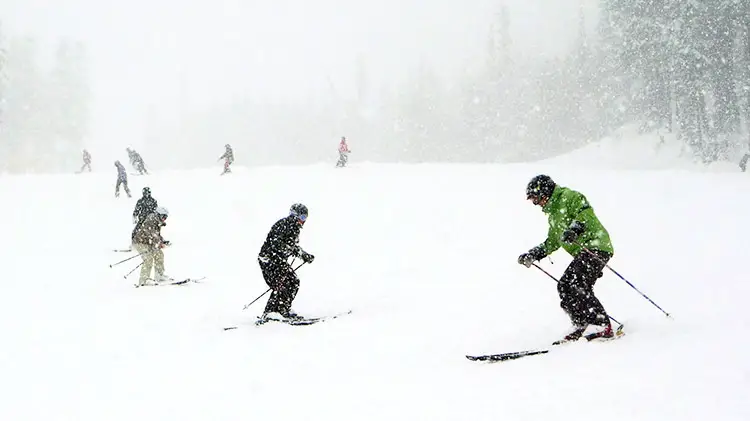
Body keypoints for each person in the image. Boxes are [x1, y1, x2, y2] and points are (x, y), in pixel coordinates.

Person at [517, 175, 615, 344]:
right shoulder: (554, 216)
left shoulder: (569, 197)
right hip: (583, 252)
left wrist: (575, 228)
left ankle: (601, 325)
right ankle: (580, 323)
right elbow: (553, 241)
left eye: (536, 199)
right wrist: (534, 254)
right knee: (564, 286)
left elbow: (585, 213)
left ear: (545, 192)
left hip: (596, 247)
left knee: (577, 284)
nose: (536, 204)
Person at [257, 203, 315, 321]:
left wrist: (304, 255)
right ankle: (276, 311)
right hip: (270, 259)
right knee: (287, 282)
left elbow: (292, 246)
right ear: (295, 215)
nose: (303, 221)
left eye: (305, 218)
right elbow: (276, 243)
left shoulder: (292, 227)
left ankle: (276, 310)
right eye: (302, 217)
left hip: (275, 260)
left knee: (288, 282)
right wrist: (290, 249)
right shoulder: (285, 225)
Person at [131, 206, 172, 287]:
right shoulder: (151, 220)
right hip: (140, 243)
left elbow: (156, 235)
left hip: (148, 242)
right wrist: (159, 242)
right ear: (158, 214)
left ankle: (159, 275)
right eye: (163, 216)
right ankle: (144, 280)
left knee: (159, 254)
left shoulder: (157, 221)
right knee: (148, 258)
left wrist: (162, 241)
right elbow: (151, 234)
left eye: (166, 217)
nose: (164, 219)